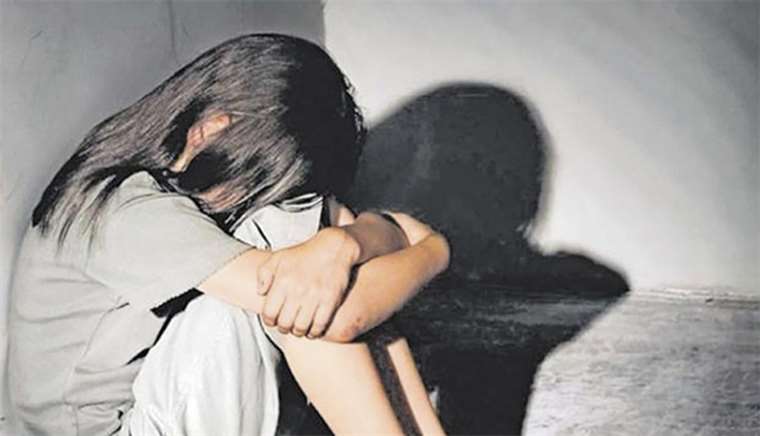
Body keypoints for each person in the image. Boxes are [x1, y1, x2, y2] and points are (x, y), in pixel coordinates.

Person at [8, 34, 449, 435]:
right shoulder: (125, 210)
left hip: (144, 406)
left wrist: (344, 242)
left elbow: (341, 225)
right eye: (257, 182)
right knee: (293, 272)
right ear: (211, 130)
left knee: (305, 251)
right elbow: (337, 316)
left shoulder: (159, 179)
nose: (251, 198)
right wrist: (433, 251)